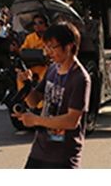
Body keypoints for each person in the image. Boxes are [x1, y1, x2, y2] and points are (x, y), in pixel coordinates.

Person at [13, 21, 91, 169]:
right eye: (46, 47)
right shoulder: (52, 69)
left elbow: (71, 121)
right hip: (40, 151)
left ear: (69, 46)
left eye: (52, 47)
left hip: (63, 156)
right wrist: (25, 83)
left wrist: (35, 120)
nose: (48, 52)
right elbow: (33, 101)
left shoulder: (80, 78)